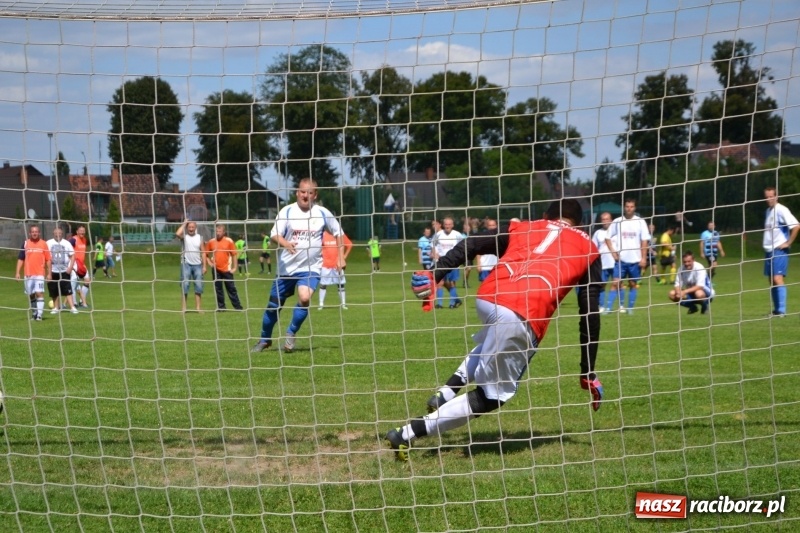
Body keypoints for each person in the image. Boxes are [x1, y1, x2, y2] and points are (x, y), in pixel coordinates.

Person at [389, 199, 604, 462]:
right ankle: (407, 433)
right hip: (525, 309)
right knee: (492, 396)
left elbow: (470, 243)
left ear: (545, 215)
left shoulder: (523, 226)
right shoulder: (589, 248)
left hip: (489, 296)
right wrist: (588, 370)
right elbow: (590, 312)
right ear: (579, 224)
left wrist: (435, 274)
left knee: (493, 344)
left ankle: (446, 392)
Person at [251, 178, 344, 353]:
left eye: (310, 192)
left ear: (315, 195)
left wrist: (340, 257)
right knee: (273, 307)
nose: (305, 195)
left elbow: (339, 232)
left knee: (305, 298)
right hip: (286, 268)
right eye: (302, 192)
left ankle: (291, 333)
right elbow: (274, 234)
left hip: (311, 268)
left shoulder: (322, 213)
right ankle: (264, 339)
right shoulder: (287, 211)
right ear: (297, 193)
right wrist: (285, 243)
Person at [604, 199, 651, 314]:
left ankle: (630, 308)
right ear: (624, 207)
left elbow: (644, 241)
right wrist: (613, 252)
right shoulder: (617, 221)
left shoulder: (640, 222)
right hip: (621, 260)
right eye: (627, 206)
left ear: (635, 208)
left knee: (632, 284)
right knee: (615, 283)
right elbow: (607, 237)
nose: (629, 208)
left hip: (635, 260)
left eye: (631, 206)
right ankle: (608, 308)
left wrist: (644, 258)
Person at [763, 186, 799, 317]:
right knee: (771, 281)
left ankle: (782, 311)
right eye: (766, 197)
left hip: (779, 250)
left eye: (771, 196)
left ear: (776, 196)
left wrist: (788, 243)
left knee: (777, 278)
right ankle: (776, 310)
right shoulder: (768, 211)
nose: (769, 199)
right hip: (768, 250)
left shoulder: (781, 210)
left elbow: (796, 226)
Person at [15, 225, 51, 321]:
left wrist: (49, 273)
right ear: (30, 233)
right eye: (33, 232)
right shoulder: (25, 243)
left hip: (40, 273)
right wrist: (17, 272)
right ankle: (34, 313)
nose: (34, 233)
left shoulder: (44, 244)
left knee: (39, 293)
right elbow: (20, 259)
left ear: (39, 233)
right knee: (31, 294)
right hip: (28, 274)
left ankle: (39, 315)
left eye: (36, 232)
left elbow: (48, 259)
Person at [205, 224, 243, 311]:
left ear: (224, 232)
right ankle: (221, 307)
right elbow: (205, 253)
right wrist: (209, 262)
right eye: (216, 231)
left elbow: (234, 254)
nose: (218, 233)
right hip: (216, 269)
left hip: (227, 269)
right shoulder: (211, 242)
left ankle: (237, 307)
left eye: (220, 231)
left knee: (231, 288)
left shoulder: (229, 241)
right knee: (218, 289)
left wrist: (235, 267)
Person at [431, 216, 464, 309]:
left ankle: (452, 303)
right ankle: (439, 304)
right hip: (441, 262)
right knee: (440, 282)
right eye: (446, 224)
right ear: (443, 225)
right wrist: (435, 254)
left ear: (452, 225)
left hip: (453, 262)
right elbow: (433, 245)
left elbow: (463, 246)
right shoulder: (438, 234)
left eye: (449, 224)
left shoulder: (457, 235)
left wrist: (460, 258)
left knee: (452, 283)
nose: (447, 226)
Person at [46, 227, 79, 314]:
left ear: (62, 234)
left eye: (60, 233)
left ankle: (72, 307)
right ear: (53, 234)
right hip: (53, 271)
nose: (58, 235)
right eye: (56, 233)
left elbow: (73, 256)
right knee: (54, 290)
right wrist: (48, 272)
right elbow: (45, 256)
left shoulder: (67, 243)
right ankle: (56, 308)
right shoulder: (48, 243)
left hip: (64, 271)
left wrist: (70, 268)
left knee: (68, 290)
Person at [318, 230, 353, 310]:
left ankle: (343, 304)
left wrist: (343, 258)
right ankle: (321, 304)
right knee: (323, 284)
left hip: (337, 265)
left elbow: (349, 245)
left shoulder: (339, 235)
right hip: (325, 265)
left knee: (341, 284)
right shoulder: (322, 234)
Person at [175, 220, 206, 312]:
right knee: (185, 285)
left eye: (193, 227)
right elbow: (177, 234)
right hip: (186, 264)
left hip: (198, 265)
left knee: (198, 286)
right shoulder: (184, 237)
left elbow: (203, 252)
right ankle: (184, 308)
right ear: (187, 228)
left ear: (195, 228)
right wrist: (184, 224)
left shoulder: (200, 237)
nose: (191, 229)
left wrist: (204, 266)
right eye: (189, 227)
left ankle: (198, 308)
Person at [591, 212, 615, 312]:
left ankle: (615, 307)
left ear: (611, 220)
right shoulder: (598, 233)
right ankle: (601, 306)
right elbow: (593, 248)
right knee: (601, 285)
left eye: (607, 219)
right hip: (602, 264)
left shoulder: (616, 231)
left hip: (615, 262)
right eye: (603, 219)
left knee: (617, 283)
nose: (605, 221)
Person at [68, 225, 91, 308]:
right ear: (77, 232)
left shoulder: (84, 239)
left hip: (81, 264)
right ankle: (74, 303)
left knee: (87, 281)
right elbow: (67, 248)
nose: (82, 232)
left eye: (83, 231)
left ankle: (81, 301)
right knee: (74, 284)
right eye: (80, 231)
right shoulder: (73, 240)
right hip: (74, 264)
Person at [475, 217, 498, 283]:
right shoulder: (482, 237)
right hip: (485, 266)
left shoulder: (500, 237)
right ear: (487, 226)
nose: (491, 227)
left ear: (496, 226)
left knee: (495, 285)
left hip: (496, 266)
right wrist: (478, 264)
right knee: (484, 286)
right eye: (490, 225)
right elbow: (478, 252)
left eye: (493, 225)